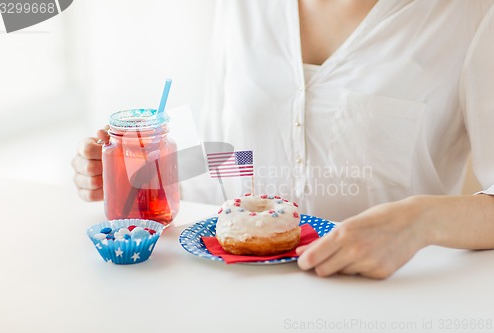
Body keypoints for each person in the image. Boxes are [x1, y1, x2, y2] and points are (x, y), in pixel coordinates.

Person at [72, 0, 494, 279]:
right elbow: (232, 155)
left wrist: (422, 220)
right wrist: (145, 176)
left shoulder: (468, 15)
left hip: (386, 299)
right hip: (237, 294)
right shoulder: (244, 8)